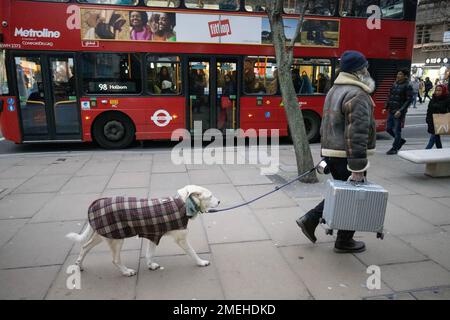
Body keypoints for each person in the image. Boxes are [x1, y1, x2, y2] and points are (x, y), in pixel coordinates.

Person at [296, 50, 376, 253]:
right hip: (347, 155)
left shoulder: (334, 90)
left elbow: (326, 126)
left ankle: (310, 220)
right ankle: (343, 240)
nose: (367, 70)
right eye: (365, 66)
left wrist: (325, 154)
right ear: (359, 71)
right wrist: (357, 167)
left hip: (333, 152)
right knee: (351, 197)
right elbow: (356, 133)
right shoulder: (357, 93)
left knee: (341, 194)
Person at [383, 69, 413, 155]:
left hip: (399, 112)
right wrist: (385, 107)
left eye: (400, 74)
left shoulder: (408, 86)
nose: (398, 75)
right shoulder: (394, 84)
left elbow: (409, 100)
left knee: (397, 131)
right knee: (388, 129)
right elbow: (390, 96)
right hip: (391, 110)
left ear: (405, 76)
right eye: (398, 74)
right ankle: (401, 140)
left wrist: (400, 111)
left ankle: (394, 148)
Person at [425, 84, 450, 149]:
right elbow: (429, 111)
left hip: (441, 121)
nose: (437, 92)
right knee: (436, 138)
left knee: (433, 138)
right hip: (432, 121)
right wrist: (427, 119)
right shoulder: (432, 99)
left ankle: (425, 152)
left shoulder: (447, 99)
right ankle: (440, 150)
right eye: (436, 90)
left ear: (443, 91)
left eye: (439, 90)